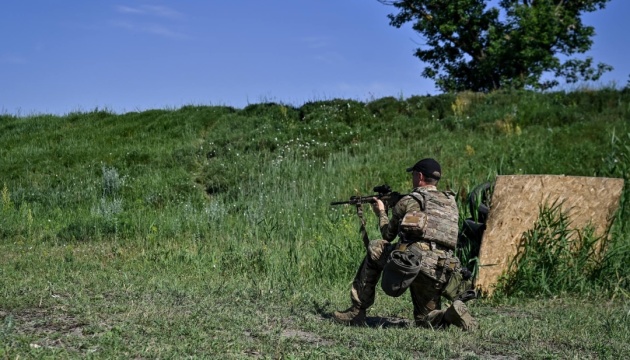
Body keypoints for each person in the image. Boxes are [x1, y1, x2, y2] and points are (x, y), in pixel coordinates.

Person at [333, 158, 478, 330]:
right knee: (425, 322)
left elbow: (388, 234)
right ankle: (449, 314)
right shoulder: (450, 202)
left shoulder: (408, 200)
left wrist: (381, 212)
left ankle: (357, 311)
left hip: (411, 262)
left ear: (420, 176)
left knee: (376, 248)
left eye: (414, 175)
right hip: (440, 268)